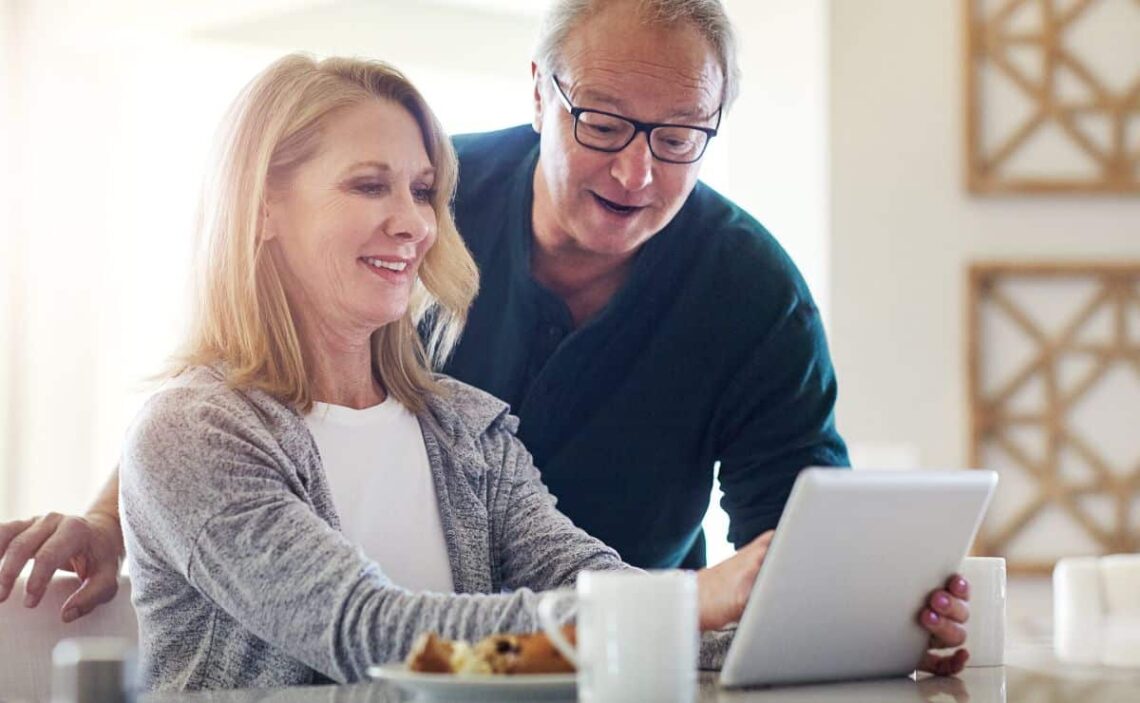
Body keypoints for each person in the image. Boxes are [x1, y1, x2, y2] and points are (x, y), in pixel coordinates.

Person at [0, 1, 972, 674]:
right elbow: (380, 630)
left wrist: (850, 625)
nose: (638, 171)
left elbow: (581, 599)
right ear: (541, 93)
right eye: (604, 122)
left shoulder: (465, 421)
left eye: (678, 136)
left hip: (567, 666)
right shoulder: (204, 428)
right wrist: (110, 511)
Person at [112, 53, 774, 690]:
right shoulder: (191, 432)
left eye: (424, 191)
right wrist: (683, 604)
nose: (415, 223)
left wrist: (779, 632)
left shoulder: (464, 424)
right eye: (370, 185)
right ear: (262, 208)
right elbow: (378, 633)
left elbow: (582, 579)